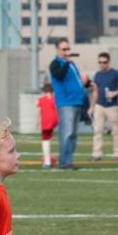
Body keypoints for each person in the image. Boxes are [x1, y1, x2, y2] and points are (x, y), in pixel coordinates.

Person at [49, 39, 89, 170]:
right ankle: (64, 162)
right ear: (57, 50)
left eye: (68, 49)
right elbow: (59, 76)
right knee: (67, 133)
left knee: (73, 134)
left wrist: (88, 85)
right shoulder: (56, 64)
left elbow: (77, 81)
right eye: (64, 49)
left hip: (77, 101)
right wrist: (67, 63)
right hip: (66, 102)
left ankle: (68, 160)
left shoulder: (71, 64)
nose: (67, 52)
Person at [91, 52, 118, 162]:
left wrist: (115, 93)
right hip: (99, 105)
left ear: (108, 62)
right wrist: (92, 106)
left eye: (104, 62)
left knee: (115, 131)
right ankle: (96, 154)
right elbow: (95, 91)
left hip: (112, 106)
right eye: (100, 62)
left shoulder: (115, 73)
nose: (102, 64)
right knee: (97, 130)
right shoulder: (97, 75)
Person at [37, 82, 57, 169]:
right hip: (54, 120)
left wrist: (37, 121)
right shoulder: (54, 99)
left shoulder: (41, 99)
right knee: (49, 138)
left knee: (45, 140)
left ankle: (47, 161)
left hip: (45, 121)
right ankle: (50, 157)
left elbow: (38, 111)